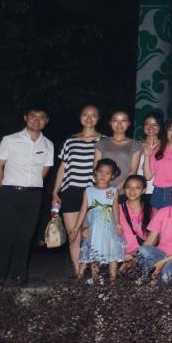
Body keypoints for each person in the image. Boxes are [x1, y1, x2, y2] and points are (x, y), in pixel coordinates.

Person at [0, 107, 53, 285]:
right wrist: (4, 188)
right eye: (33, 116)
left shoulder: (48, 144)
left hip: (33, 195)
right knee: (4, 236)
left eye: (41, 117)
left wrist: (32, 186)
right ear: (25, 118)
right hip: (9, 192)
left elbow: (44, 170)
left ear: (46, 121)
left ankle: (19, 275)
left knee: (25, 236)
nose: (36, 120)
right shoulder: (10, 140)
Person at [52, 105, 99, 279]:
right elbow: (63, 167)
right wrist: (55, 192)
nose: (89, 118)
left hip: (93, 192)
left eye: (93, 115)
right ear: (80, 118)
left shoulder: (104, 140)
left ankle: (94, 274)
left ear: (98, 118)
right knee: (74, 235)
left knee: (91, 235)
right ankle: (78, 274)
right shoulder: (70, 140)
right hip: (70, 191)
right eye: (85, 115)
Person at [75, 158, 124, 283]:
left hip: (108, 227)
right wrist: (76, 227)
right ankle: (95, 279)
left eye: (107, 173)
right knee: (94, 251)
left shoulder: (113, 191)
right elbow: (83, 210)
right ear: (95, 172)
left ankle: (113, 281)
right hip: (94, 227)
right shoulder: (89, 191)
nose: (103, 175)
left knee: (112, 251)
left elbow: (115, 208)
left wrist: (117, 223)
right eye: (101, 172)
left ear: (112, 176)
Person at [143, 119, 172, 209]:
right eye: (170, 129)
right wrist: (147, 156)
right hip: (157, 192)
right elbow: (147, 176)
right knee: (156, 218)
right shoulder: (158, 149)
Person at [94, 110, 142, 188]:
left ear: (129, 123)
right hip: (103, 188)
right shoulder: (102, 143)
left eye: (123, 120)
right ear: (110, 123)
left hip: (125, 189)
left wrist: (117, 188)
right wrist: (103, 187)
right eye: (115, 120)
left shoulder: (135, 144)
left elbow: (133, 171)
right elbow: (95, 167)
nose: (119, 124)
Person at [116, 174, 152, 274]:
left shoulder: (152, 211)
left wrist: (135, 256)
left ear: (144, 190)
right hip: (121, 253)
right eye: (128, 187)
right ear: (124, 189)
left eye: (137, 188)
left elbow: (154, 238)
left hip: (143, 254)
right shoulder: (117, 209)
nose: (132, 191)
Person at [139, 112, 163, 196]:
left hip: (159, 191)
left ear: (160, 127)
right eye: (147, 124)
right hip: (138, 190)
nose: (151, 127)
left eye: (155, 125)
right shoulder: (136, 145)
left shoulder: (165, 146)